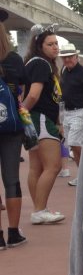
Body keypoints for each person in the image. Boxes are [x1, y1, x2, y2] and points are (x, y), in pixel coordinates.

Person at [21, 25, 65, 225]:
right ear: (40, 46)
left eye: (56, 43)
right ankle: (39, 210)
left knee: (36, 167)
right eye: (50, 44)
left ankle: (39, 209)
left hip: (36, 119)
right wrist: (24, 114)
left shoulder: (33, 62)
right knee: (53, 166)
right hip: (40, 118)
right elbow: (33, 95)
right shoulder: (41, 64)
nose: (55, 47)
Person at [0, 18, 27, 248]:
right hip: (11, 126)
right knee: (12, 180)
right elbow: (21, 94)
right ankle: (13, 233)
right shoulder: (14, 59)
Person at [59, 43, 83, 186]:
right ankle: (82, 176)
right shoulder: (64, 71)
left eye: (70, 56)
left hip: (80, 111)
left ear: (76, 56)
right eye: (64, 57)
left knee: (75, 143)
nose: (67, 59)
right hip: (67, 112)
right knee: (73, 145)